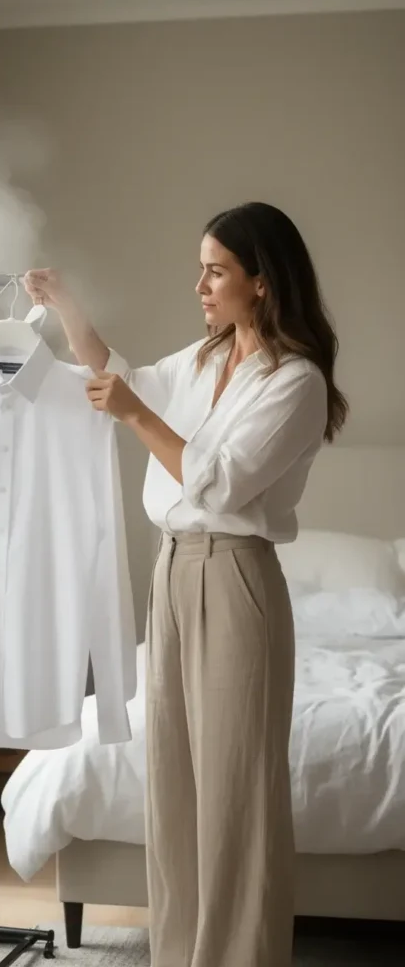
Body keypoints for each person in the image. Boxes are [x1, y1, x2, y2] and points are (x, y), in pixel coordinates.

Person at [24, 201, 348, 967]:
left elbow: (222, 483)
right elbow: (122, 379)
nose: (199, 285)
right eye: (200, 268)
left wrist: (135, 416)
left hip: (234, 580)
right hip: (171, 570)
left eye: (215, 271)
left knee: (236, 794)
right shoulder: (203, 361)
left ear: (261, 283)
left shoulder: (293, 383)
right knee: (171, 786)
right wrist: (66, 307)